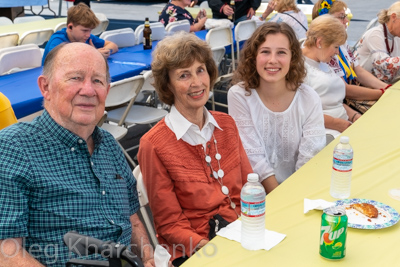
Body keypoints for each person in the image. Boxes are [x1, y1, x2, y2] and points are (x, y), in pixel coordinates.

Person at [0, 43, 155, 266]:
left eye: (97, 81)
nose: (89, 90)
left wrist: (149, 257)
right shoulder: (13, 148)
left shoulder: (109, 145)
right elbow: (6, 251)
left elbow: (132, 218)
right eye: (75, 78)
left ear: (107, 91)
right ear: (45, 87)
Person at [137, 32, 253, 266]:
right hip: (197, 250)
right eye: (183, 75)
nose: (197, 83)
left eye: (200, 70)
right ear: (167, 85)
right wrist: (215, 250)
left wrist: (254, 226)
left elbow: (249, 188)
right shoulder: (154, 144)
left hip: (244, 233)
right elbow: (169, 225)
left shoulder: (227, 124)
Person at [228, 22, 325, 194]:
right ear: (254, 56)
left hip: (300, 190)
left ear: (292, 57)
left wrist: (291, 199)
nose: (272, 60)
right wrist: (279, 198)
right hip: (253, 196)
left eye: (281, 52)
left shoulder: (309, 98)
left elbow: (309, 157)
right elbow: (253, 154)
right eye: (265, 52)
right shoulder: (239, 95)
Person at [312, 0, 390, 114]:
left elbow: (358, 71)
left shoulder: (342, 43)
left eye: (346, 16)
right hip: (340, 102)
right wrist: (383, 92)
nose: (346, 21)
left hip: (349, 95)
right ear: (325, 21)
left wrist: (387, 87)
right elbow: (344, 89)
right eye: (341, 17)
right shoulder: (323, 50)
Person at [302, 14, 361, 137]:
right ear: (320, 42)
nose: (337, 52)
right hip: (324, 133)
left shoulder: (323, 60)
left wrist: (353, 115)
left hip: (343, 123)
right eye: (335, 47)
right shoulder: (299, 67)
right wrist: (338, 124)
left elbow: (334, 100)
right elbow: (300, 113)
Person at [42, 3, 118, 65]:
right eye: (84, 30)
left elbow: (113, 45)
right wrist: (93, 54)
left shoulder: (86, 37)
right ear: (70, 27)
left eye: (90, 30)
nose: (88, 35)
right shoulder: (58, 40)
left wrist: (107, 51)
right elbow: (57, 62)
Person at [354, 1, 400, 84]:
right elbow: (383, 65)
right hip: (362, 86)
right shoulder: (375, 34)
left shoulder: (396, 36)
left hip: (378, 86)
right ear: (394, 17)